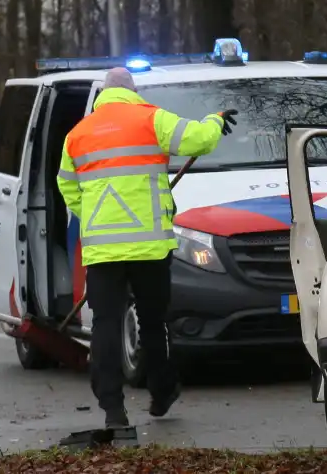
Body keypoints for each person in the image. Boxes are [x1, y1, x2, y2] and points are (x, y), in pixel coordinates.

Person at [56, 67, 237, 428]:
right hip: (149, 246)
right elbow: (198, 139)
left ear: (104, 94)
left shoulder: (77, 135)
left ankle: (112, 409)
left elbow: (67, 186)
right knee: (154, 322)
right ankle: (161, 391)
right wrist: (215, 121)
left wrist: (93, 215)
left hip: (103, 250)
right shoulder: (151, 119)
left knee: (105, 326)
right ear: (132, 91)